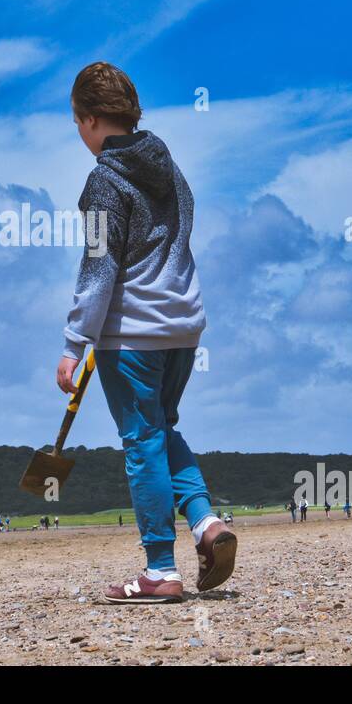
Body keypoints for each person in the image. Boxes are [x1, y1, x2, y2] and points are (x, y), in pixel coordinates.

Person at [56, 63, 234, 604]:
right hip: (184, 326)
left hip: (132, 332)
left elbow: (97, 270)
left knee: (142, 443)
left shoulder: (101, 182)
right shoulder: (171, 169)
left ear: (89, 119)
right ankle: (205, 522)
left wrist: (73, 344)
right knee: (159, 429)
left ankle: (160, 568)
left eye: (76, 121)